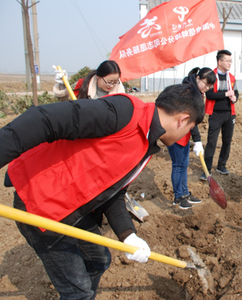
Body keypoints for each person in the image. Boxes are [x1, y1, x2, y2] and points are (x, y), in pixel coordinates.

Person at [0, 84, 204, 299]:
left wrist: (128, 234)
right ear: (182, 119)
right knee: (78, 292)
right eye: (190, 129)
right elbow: (44, 119)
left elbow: (113, 193)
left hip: (75, 206)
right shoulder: (123, 112)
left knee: (99, 261)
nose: (187, 135)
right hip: (40, 205)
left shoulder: (147, 143)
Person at [168, 67, 216, 209]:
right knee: (178, 165)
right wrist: (198, 140)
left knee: (184, 164)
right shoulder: (187, 92)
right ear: (198, 78)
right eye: (205, 84)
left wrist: (195, 139)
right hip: (175, 131)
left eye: (209, 86)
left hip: (184, 133)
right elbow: (191, 119)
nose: (206, 88)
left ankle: (184, 193)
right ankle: (178, 197)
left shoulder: (197, 91)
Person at [200, 50, 238, 180]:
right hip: (215, 114)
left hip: (229, 114)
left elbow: (235, 92)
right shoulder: (212, 76)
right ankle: (207, 169)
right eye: (227, 61)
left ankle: (221, 165)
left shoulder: (231, 77)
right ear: (219, 62)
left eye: (230, 61)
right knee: (212, 142)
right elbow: (209, 95)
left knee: (227, 142)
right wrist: (225, 94)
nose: (229, 63)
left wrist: (235, 98)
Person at [53, 60, 125, 101]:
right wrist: (62, 84)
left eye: (115, 82)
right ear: (98, 77)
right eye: (109, 82)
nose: (112, 85)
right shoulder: (82, 85)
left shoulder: (120, 95)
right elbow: (64, 101)